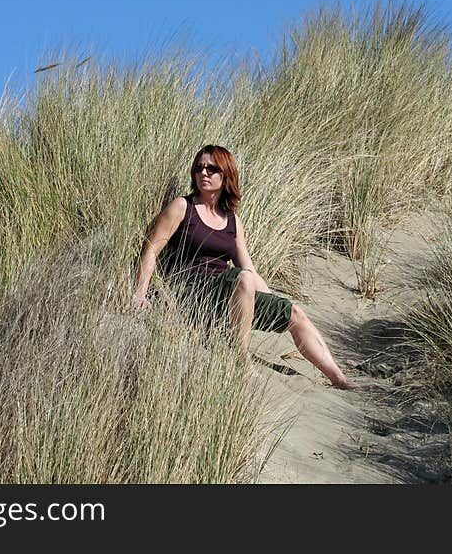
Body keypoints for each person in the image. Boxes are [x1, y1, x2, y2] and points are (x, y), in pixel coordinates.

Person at [132, 144, 359, 390]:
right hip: (188, 290)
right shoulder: (182, 207)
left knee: (294, 313)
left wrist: (273, 301)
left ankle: (339, 379)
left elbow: (248, 269)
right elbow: (151, 249)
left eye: (211, 168)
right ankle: (241, 360)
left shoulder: (233, 221)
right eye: (199, 168)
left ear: (226, 174)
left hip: (226, 292)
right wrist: (140, 293)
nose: (203, 173)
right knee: (243, 281)